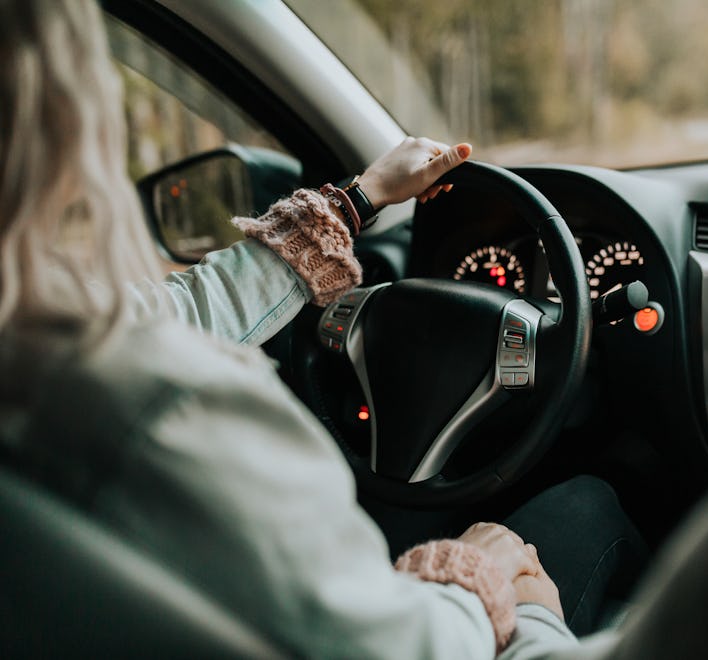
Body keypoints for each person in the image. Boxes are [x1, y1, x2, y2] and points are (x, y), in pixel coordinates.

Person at [0, 0, 646, 657]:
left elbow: (168, 309)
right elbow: (400, 648)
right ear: (60, 112)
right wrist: (485, 581)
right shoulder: (160, 407)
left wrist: (357, 198)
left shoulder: (33, 352)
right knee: (589, 508)